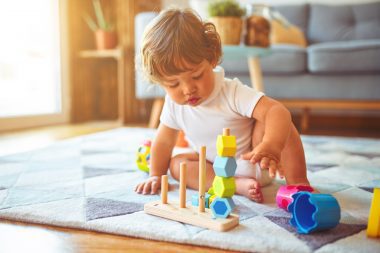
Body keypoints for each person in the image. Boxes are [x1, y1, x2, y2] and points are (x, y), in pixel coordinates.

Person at [134, 8, 311, 202]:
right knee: (178, 165)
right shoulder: (173, 104)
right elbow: (164, 141)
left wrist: (271, 145)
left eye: (196, 76)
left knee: (278, 121)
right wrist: (156, 175)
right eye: (173, 84)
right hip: (215, 170)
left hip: (256, 160)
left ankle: (298, 183)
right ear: (160, 82)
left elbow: (278, 111)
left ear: (211, 59)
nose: (187, 89)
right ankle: (235, 185)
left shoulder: (231, 92)